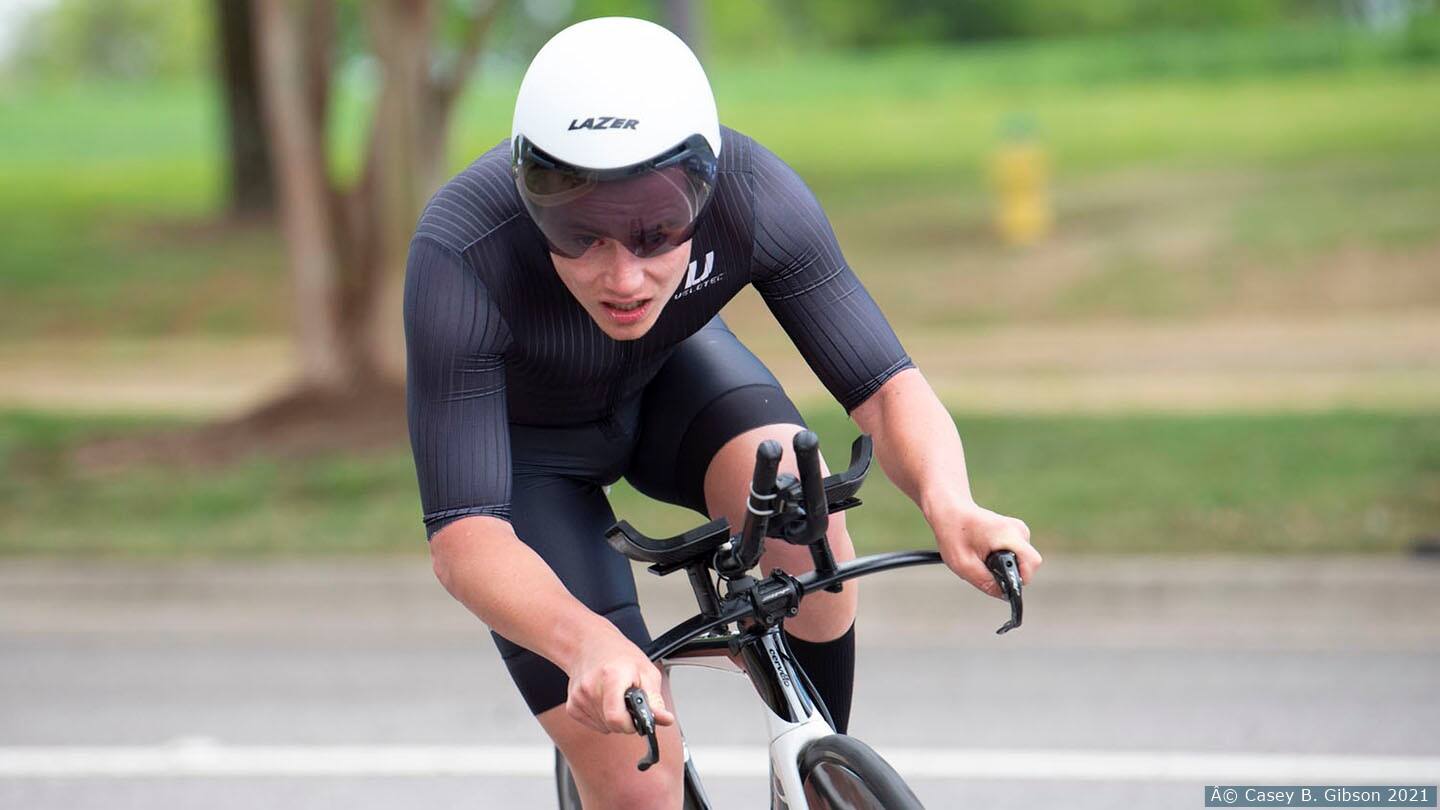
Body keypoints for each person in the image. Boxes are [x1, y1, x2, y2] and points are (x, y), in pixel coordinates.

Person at [404, 16, 1043, 809]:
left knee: (802, 513)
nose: (624, 278)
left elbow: (885, 388)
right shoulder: (463, 251)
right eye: (578, 234)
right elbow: (465, 540)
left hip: (674, 381)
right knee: (639, 761)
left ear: (706, 186)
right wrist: (587, 643)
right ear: (531, 194)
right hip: (531, 456)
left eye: (657, 231)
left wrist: (953, 504)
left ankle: (815, 770)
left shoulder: (753, 191)